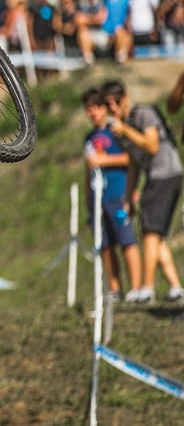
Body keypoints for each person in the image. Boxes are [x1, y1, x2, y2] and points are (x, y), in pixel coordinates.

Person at [103, 80, 184, 304]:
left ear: (125, 97)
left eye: (116, 102)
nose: (113, 108)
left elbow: (152, 145)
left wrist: (126, 130)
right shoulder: (123, 126)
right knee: (155, 236)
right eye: (108, 104)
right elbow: (134, 165)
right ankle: (176, 288)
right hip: (156, 176)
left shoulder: (144, 114)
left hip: (165, 173)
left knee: (150, 232)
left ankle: (146, 289)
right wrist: (128, 198)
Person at [81, 88, 142, 301]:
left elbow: (130, 159)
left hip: (119, 193)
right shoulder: (88, 137)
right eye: (88, 109)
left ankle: (137, 289)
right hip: (98, 198)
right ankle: (115, 289)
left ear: (104, 108)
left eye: (95, 108)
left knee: (127, 242)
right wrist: (87, 199)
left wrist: (104, 160)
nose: (92, 113)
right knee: (105, 246)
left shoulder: (116, 130)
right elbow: (87, 170)